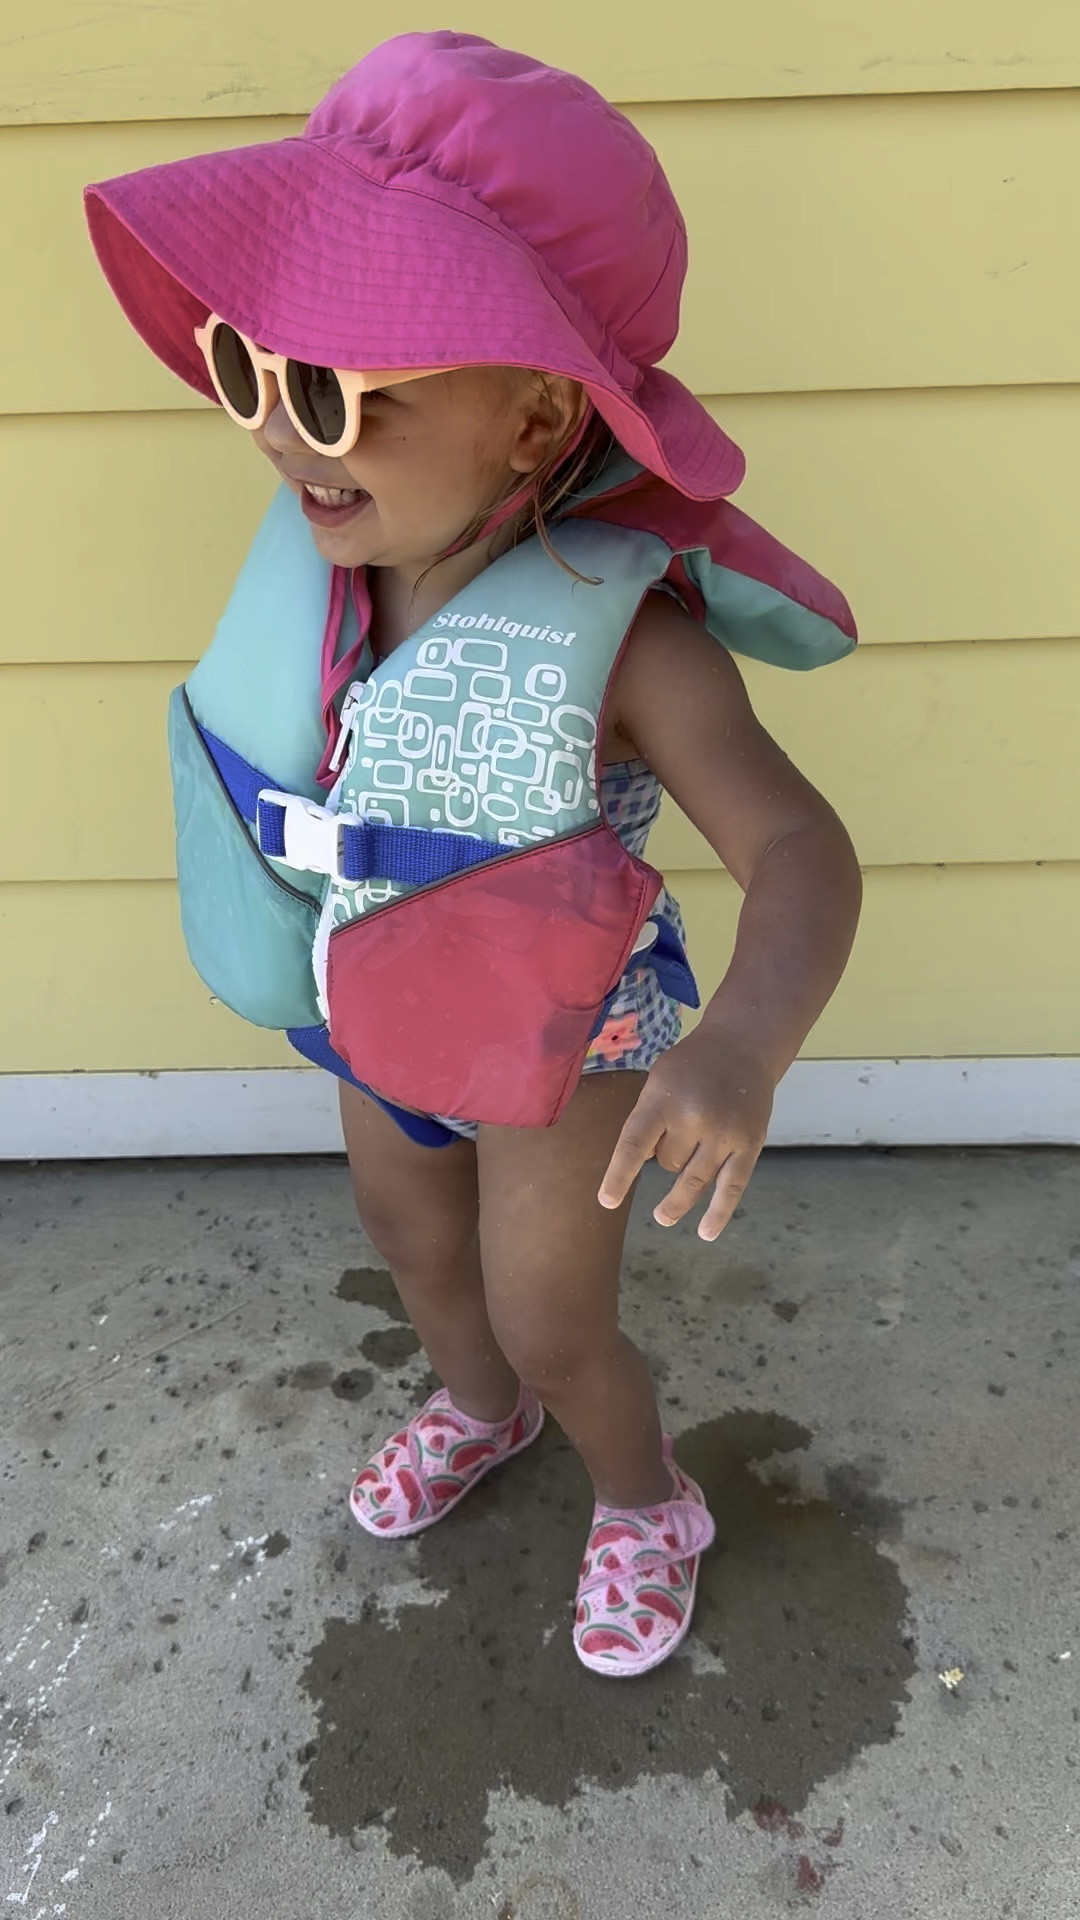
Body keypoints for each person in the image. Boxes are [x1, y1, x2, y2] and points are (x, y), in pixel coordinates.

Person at [85, 31, 862, 1678]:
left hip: (561, 1038)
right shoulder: (337, 576)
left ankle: (645, 1500)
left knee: (552, 1308)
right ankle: (478, 1415)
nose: (287, 438)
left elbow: (800, 846)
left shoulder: (627, 641)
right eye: (255, 370)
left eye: (340, 396)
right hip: (376, 998)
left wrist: (740, 1046)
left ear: (531, 423)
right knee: (412, 1243)